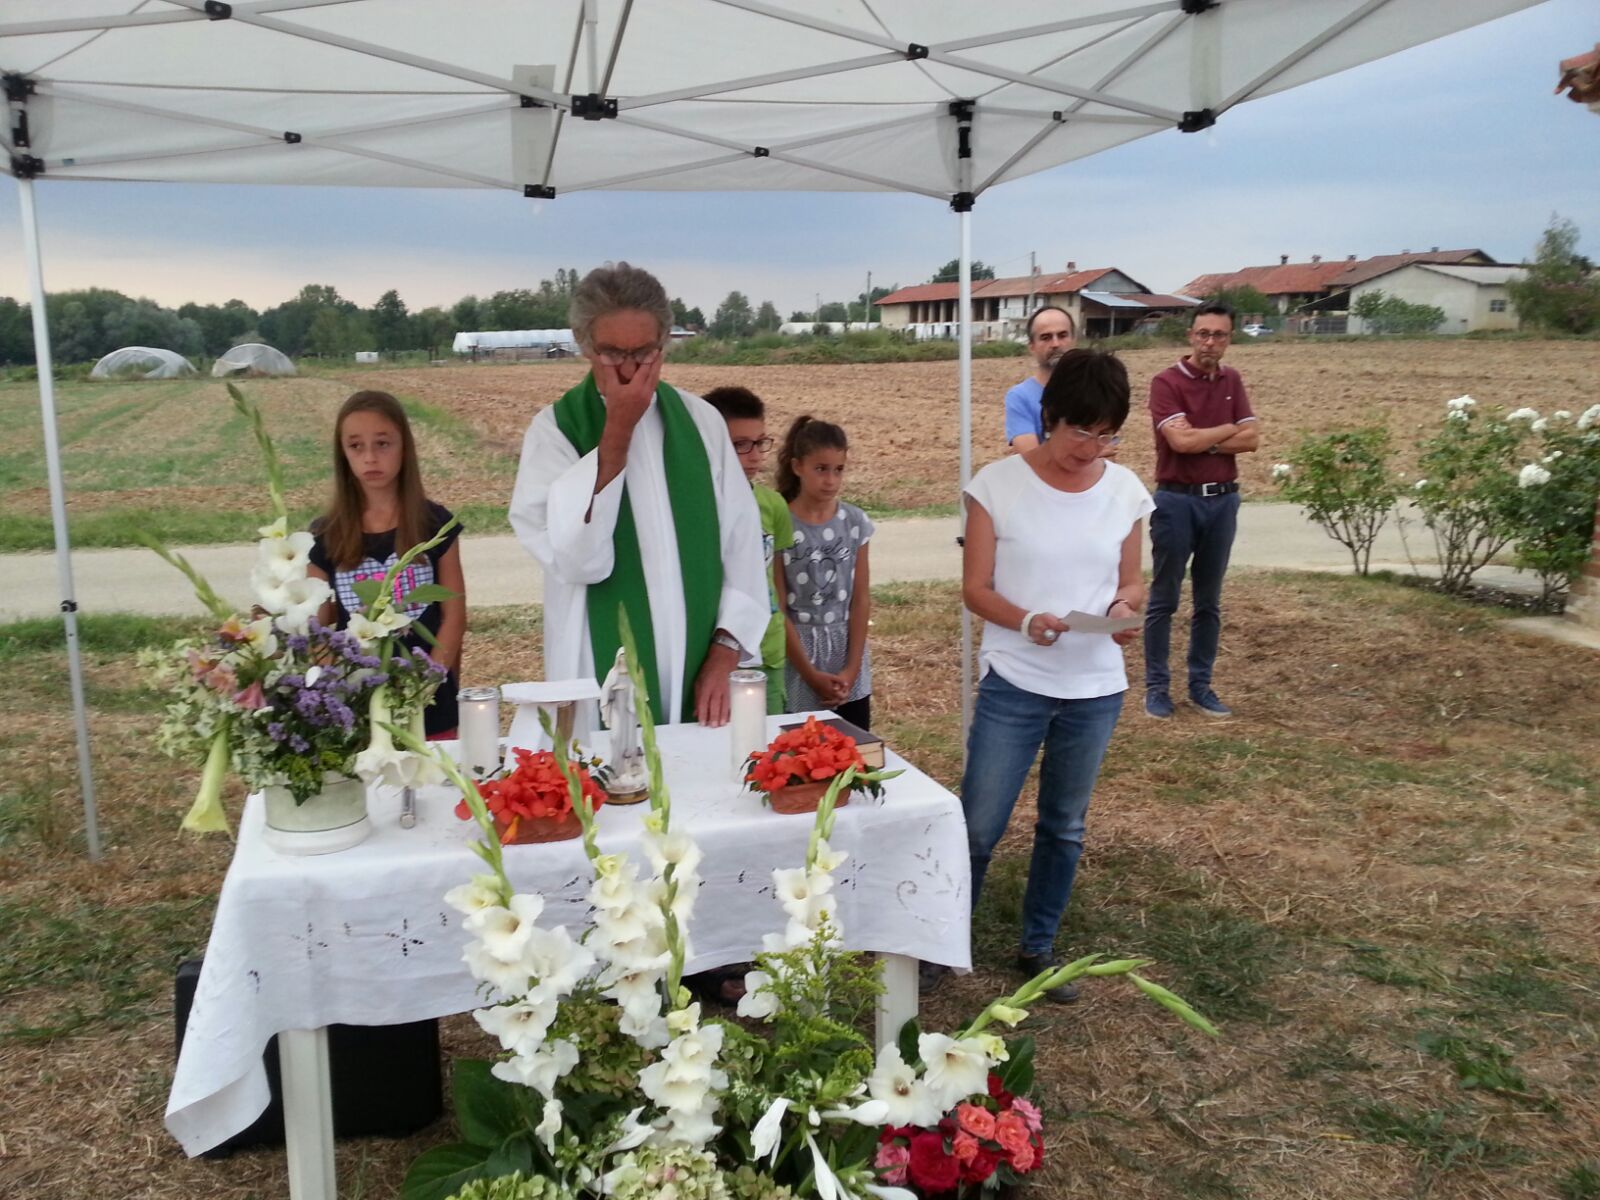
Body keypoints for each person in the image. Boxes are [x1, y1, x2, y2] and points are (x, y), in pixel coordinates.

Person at [954, 348, 1151, 1002]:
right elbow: (976, 589)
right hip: (1015, 680)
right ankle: (945, 940)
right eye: (1080, 431)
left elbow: (1131, 581)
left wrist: (1123, 609)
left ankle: (1037, 945)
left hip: (1093, 689)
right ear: (1050, 417)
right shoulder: (996, 486)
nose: (1090, 448)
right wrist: (1025, 619)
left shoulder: (1125, 491)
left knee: (1064, 825)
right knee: (979, 824)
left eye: (1107, 435)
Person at [509, 262, 768, 728]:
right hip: (595, 670)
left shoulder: (701, 423)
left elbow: (743, 545)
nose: (628, 370)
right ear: (584, 344)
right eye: (612, 353)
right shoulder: (554, 433)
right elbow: (580, 562)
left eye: (644, 353)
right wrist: (617, 432)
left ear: (664, 342)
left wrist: (726, 650)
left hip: (702, 671)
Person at [308, 390, 466, 736]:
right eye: (356, 446)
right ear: (343, 454)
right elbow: (316, 630)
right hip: (359, 710)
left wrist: (427, 683)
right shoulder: (325, 536)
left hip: (430, 704)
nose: (370, 458)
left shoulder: (435, 525)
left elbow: (454, 616)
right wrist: (340, 689)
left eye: (382, 444)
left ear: (404, 447)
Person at [1142, 300, 1260, 720]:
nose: (1210, 342)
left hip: (1223, 501)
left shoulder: (1233, 380)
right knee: (1165, 598)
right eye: (1204, 333)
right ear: (1191, 336)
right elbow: (1181, 442)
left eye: (1219, 335)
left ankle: (1201, 686)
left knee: (1209, 601)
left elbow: (1252, 439)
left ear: (1229, 339)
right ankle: (1157, 688)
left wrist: (1205, 438)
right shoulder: (1167, 382)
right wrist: (1229, 429)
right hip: (1177, 500)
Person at [776, 416, 874, 730]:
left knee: (853, 748)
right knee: (803, 747)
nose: (830, 480)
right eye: (821, 469)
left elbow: (860, 600)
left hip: (847, 653)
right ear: (797, 466)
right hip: (800, 657)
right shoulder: (781, 523)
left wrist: (851, 671)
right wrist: (810, 675)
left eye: (838, 469)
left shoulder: (855, 522)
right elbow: (778, 607)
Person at [703, 386, 794, 715]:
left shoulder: (773, 505)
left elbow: (776, 581)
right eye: (740, 445)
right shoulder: (697, 510)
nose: (755, 456)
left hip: (766, 653)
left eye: (760, 443)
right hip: (710, 655)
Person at [1003, 306, 1076, 453]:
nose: (1055, 344)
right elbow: (1031, 458)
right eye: (1046, 337)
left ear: (1074, 340)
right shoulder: (1020, 397)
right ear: (1032, 347)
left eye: (1062, 335)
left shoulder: (1094, 389)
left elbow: (1106, 455)